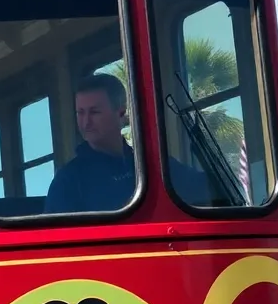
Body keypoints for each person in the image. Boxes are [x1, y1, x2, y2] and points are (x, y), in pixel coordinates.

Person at [46, 74, 208, 214]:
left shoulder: (152, 165)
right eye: (80, 113)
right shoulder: (68, 181)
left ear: (121, 113)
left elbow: (204, 190)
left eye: (94, 112)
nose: (85, 122)